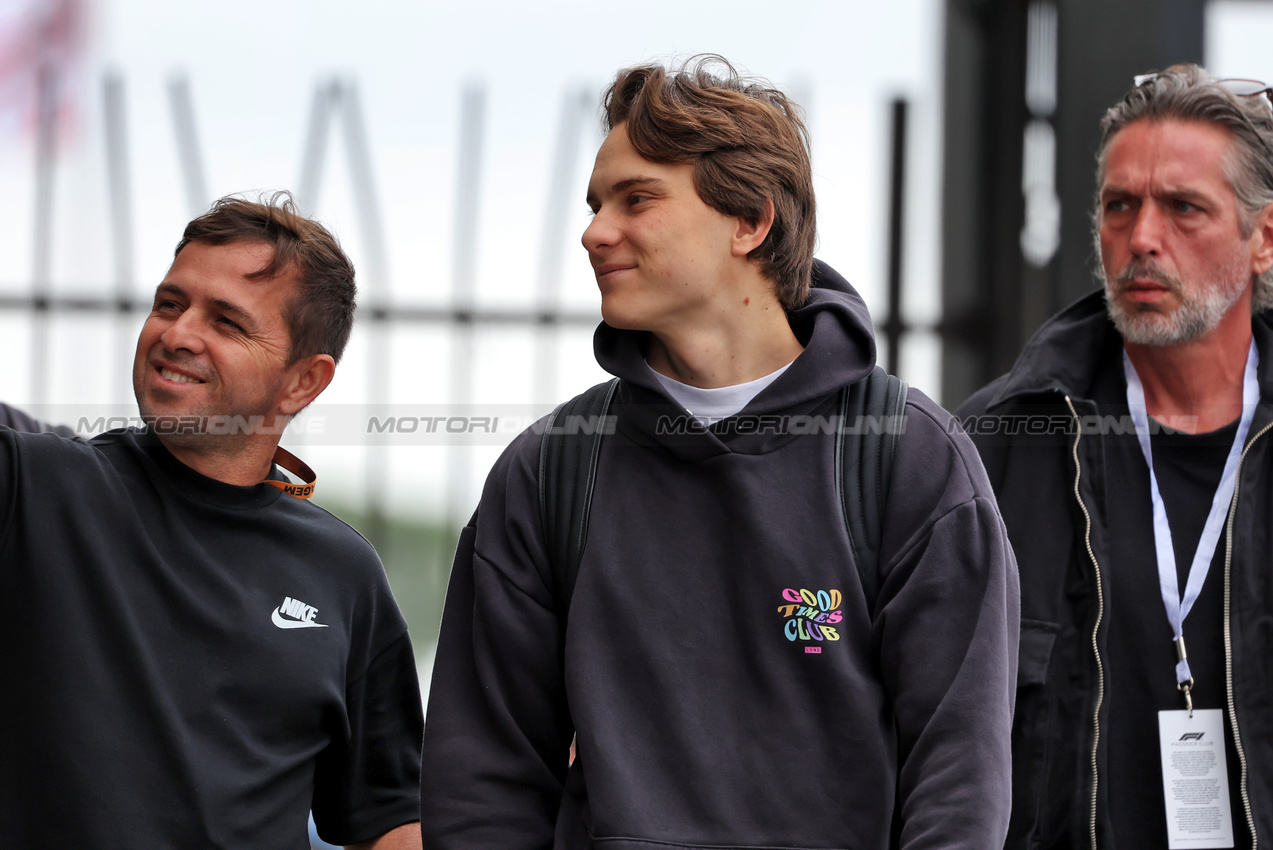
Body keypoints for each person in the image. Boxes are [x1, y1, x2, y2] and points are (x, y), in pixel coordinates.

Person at [421, 56, 1018, 848]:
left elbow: (958, 781)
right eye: (597, 203)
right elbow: (481, 787)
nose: (594, 231)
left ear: (750, 221)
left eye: (636, 199)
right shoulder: (551, 471)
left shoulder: (909, 458)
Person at [0, 194, 423, 849]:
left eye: (226, 322)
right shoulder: (32, 485)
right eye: (170, 304)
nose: (177, 333)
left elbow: (386, 818)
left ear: (302, 383)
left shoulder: (343, 573)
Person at [958, 64, 1273, 848]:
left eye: (1182, 208)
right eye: (1119, 206)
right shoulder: (992, 448)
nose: (1140, 239)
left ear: (1263, 238)